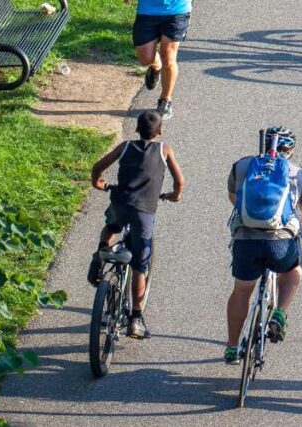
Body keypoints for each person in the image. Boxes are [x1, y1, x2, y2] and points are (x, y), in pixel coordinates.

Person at [224, 126, 302, 364]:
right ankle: (280, 312)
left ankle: (232, 347)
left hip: (246, 239)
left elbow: (234, 198)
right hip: (280, 241)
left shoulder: (242, 166)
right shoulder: (299, 173)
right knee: (293, 271)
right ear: (290, 150)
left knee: (242, 291)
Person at [87, 110, 185, 339]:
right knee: (141, 266)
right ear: (159, 132)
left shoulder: (126, 146)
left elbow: (98, 166)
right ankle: (135, 319)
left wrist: (97, 182)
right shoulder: (164, 149)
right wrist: (175, 195)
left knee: (111, 227)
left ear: (137, 129)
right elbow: (179, 181)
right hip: (144, 213)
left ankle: (100, 254)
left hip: (120, 203)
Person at [123, 0, 192, 120]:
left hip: (177, 10)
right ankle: (156, 65)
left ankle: (165, 100)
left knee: (168, 57)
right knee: (145, 59)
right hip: (148, 10)